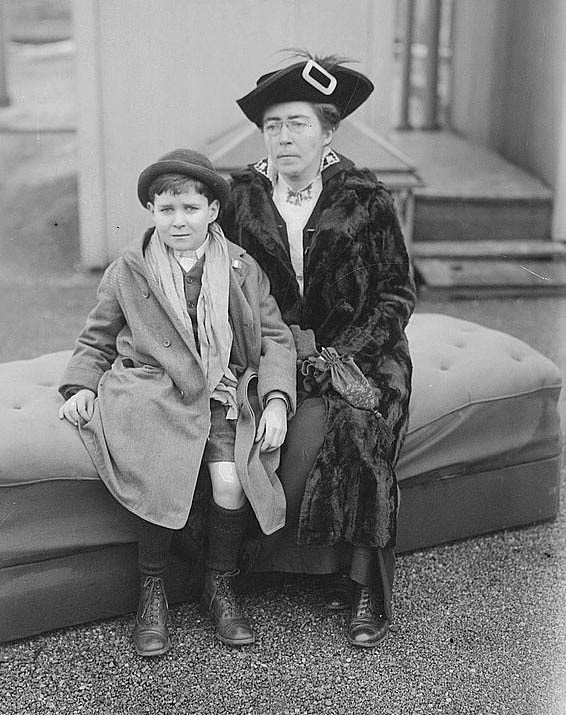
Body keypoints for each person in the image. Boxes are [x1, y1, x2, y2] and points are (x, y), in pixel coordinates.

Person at [58, 149, 296, 656]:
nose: (178, 221)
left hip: (220, 390)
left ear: (213, 211)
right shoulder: (131, 269)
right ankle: (152, 590)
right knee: (159, 471)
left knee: (231, 477)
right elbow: (97, 339)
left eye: (190, 209)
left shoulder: (240, 267)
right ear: (151, 213)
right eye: (166, 210)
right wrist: (81, 386)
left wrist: (276, 399)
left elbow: (276, 338)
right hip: (153, 389)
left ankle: (219, 583)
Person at [221, 52, 416, 648]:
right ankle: (231, 572)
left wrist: (346, 356)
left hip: (363, 353)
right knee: (246, 426)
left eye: (298, 124)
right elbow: (222, 288)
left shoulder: (366, 199)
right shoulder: (241, 199)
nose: (284, 138)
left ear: (328, 131)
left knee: (360, 424)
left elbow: (396, 293)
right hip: (276, 354)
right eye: (273, 125)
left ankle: (365, 587)